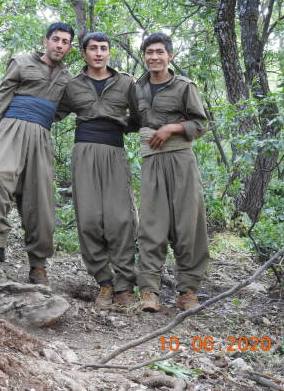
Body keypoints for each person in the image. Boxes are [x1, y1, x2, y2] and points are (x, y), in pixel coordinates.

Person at [0, 22, 74, 286]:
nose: (59, 45)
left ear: (70, 48)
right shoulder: (22, 62)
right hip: (10, 128)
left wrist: (42, 114)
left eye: (65, 42)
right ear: (45, 41)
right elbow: (3, 96)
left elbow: (65, 108)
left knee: (40, 200)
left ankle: (38, 265)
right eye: (56, 39)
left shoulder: (68, 78)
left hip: (41, 135)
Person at [56, 32, 139, 310]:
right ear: (84, 53)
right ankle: (105, 282)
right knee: (89, 218)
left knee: (120, 219)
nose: (99, 53)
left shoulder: (125, 82)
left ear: (109, 52)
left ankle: (124, 286)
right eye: (93, 48)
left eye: (103, 48)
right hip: (84, 151)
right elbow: (54, 111)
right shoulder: (72, 85)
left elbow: (140, 115)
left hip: (114, 151)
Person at [135, 32, 210, 312]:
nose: (154, 57)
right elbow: (131, 120)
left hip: (181, 159)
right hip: (152, 160)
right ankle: (149, 291)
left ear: (170, 56)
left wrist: (172, 128)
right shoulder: (137, 88)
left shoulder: (184, 87)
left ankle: (187, 291)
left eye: (159, 52)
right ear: (144, 56)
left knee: (188, 224)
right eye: (149, 52)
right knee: (151, 225)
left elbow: (200, 124)